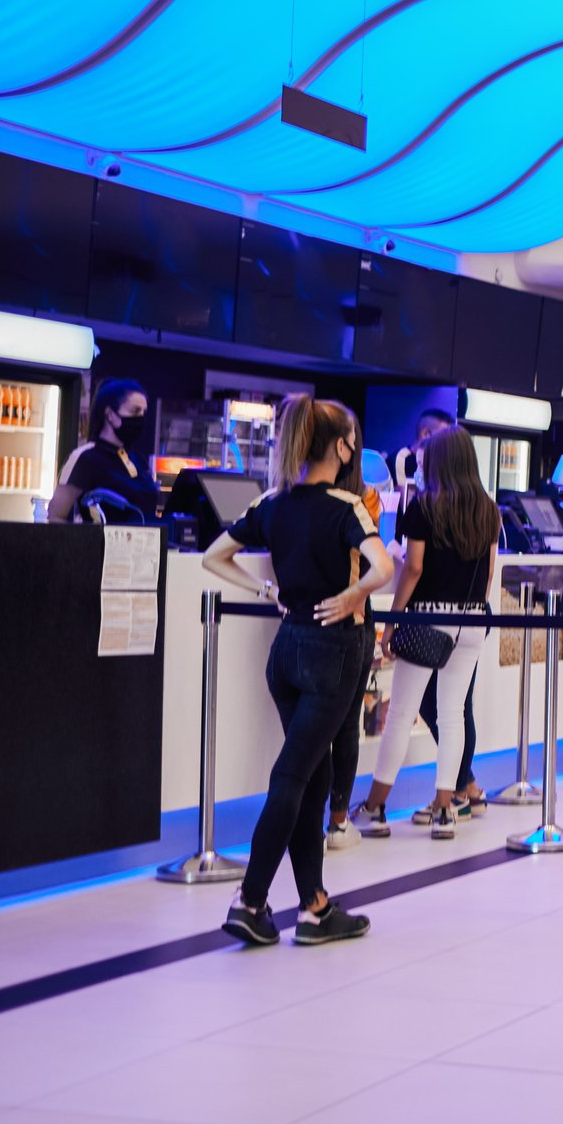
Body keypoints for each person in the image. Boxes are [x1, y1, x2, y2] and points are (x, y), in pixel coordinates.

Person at [201, 394, 390, 946]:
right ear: (341, 445)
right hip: (334, 653)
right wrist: (353, 594)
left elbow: (216, 557)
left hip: (287, 650)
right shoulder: (346, 505)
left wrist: (269, 591)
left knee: (311, 775)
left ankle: (314, 905)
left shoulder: (273, 502)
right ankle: (251, 900)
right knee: (294, 777)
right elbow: (383, 566)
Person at [350, 428, 500, 840]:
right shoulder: (488, 508)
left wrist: (394, 620)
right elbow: (487, 573)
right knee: (452, 714)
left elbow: (412, 568)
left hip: (427, 619)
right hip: (472, 619)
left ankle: (375, 806)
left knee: (401, 711)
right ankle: (445, 810)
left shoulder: (423, 506)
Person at [323, 437, 388, 852]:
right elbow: (378, 563)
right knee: (344, 726)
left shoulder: (294, 496)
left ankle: (327, 817)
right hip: (355, 620)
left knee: (320, 727)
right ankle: (338, 820)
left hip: (314, 622)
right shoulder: (364, 499)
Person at [48, 378, 158, 524]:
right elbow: (55, 516)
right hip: (101, 545)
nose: (141, 417)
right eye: (135, 411)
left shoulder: (136, 459)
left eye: (144, 412)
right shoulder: (85, 457)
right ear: (110, 414)